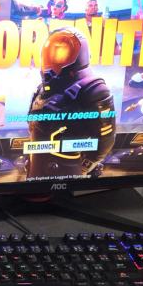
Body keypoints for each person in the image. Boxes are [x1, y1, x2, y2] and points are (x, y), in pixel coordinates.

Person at [26, 27, 115, 179]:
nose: (55, 56)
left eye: (62, 51)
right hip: (36, 173)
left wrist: (84, 167)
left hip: (68, 174)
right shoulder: (41, 89)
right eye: (53, 51)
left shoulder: (94, 90)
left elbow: (105, 141)